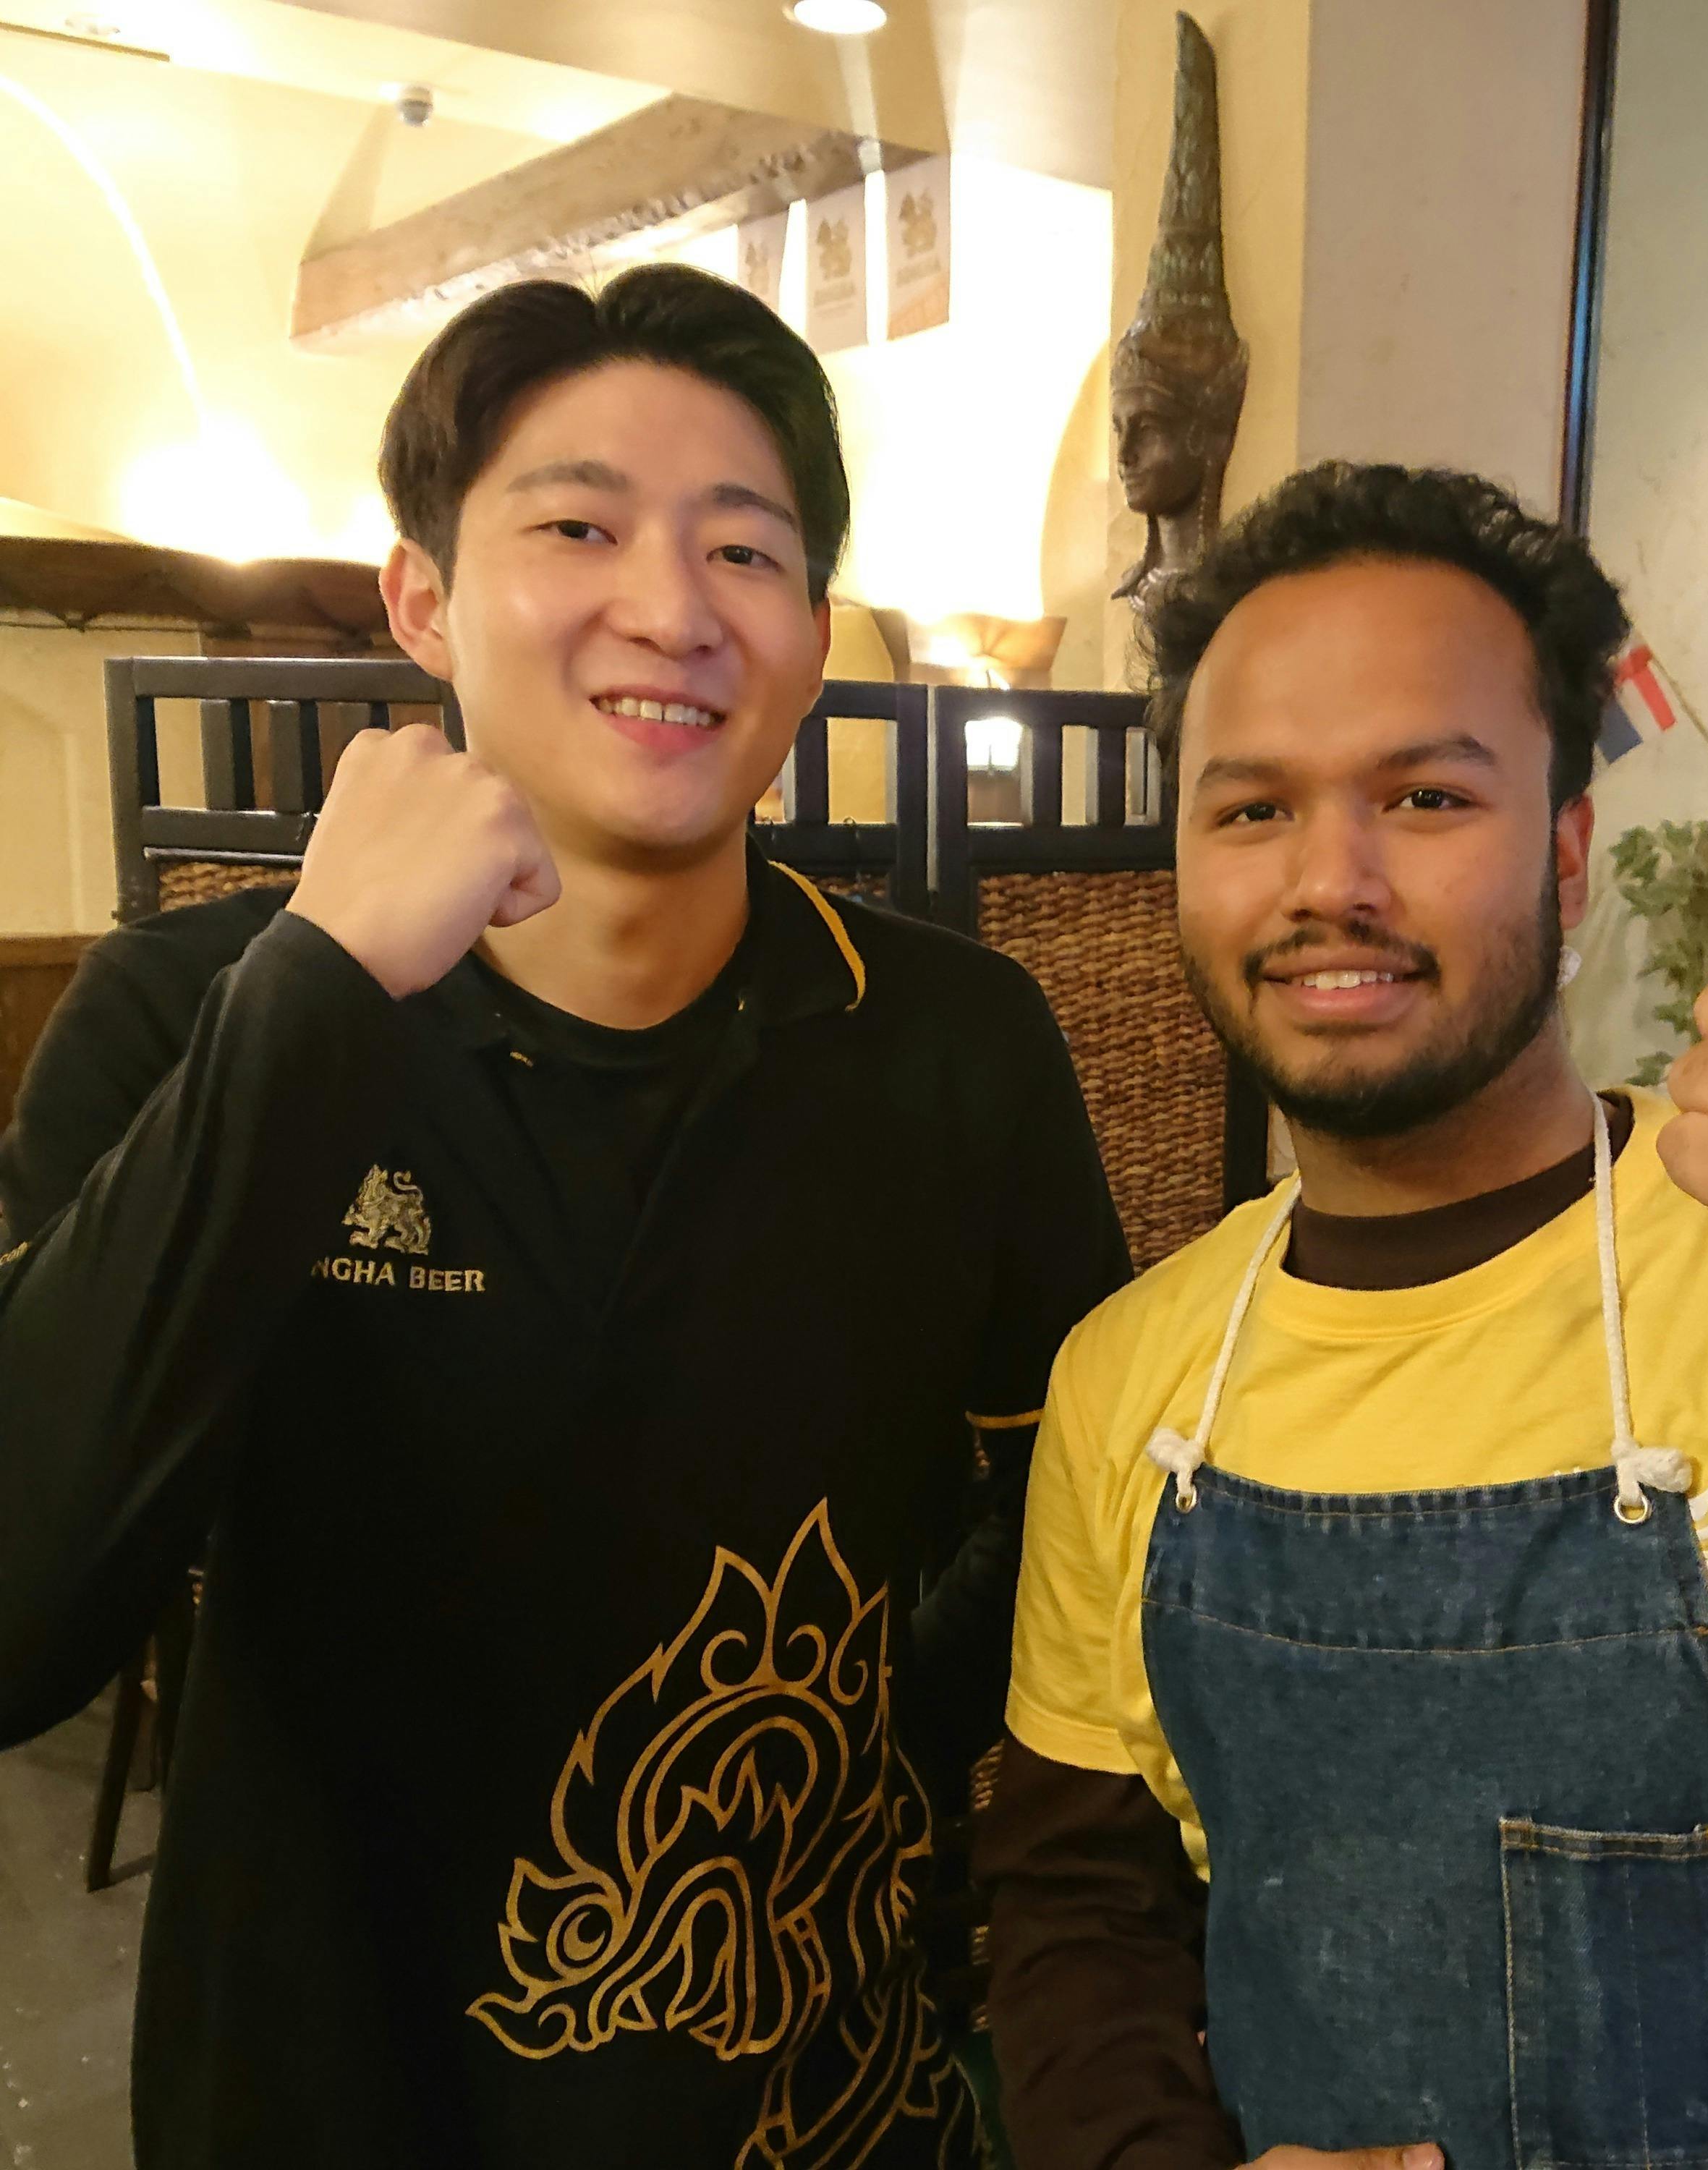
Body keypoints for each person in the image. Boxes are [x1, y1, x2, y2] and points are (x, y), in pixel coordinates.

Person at [0, 265, 1128, 2169]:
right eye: (579, 528)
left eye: (745, 551)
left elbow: (1073, 1514)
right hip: (326, 2100)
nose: (672, 609)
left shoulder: (955, 1042)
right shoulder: (194, 1015)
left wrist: (854, 1740)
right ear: (422, 600)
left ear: (814, 634)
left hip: (815, 2103)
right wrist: (322, 994)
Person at [976, 461, 1708, 2170]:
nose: (1329, 879)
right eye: (1250, 811)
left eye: (1425, 797)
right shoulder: (1131, 1380)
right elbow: (1079, 1909)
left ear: (1567, 849)